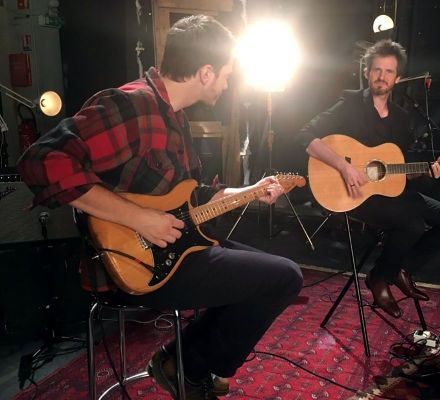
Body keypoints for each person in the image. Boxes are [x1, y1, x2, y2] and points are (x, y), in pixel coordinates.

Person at [18, 15, 303, 400]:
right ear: (205, 72)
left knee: (268, 276)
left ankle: (181, 363)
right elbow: (41, 161)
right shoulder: (131, 105)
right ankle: (188, 367)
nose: (227, 83)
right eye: (225, 74)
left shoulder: (174, 117)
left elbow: (190, 198)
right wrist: (140, 219)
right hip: (132, 267)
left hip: (176, 250)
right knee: (284, 277)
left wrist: (249, 190)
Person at [298, 39, 440, 318]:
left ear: (397, 78)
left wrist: (427, 171)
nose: (381, 76)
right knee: (411, 224)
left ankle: (399, 267)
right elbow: (304, 135)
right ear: (367, 72)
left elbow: (397, 170)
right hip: (354, 193)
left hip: (388, 194)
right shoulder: (350, 102)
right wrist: (344, 166)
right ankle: (380, 278)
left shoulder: (401, 118)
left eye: (388, 72)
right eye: (376, 70)